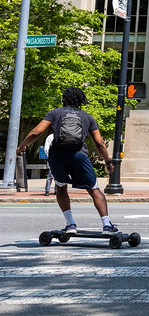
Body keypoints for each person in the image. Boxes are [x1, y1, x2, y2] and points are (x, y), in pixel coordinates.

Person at [16, 87, 119, 235]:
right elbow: (100, 143)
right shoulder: (87, 117)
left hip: (58, 156)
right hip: (79, 155)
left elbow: (36, 132)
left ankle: (71, 225)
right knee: (93, 188)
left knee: (61, 187)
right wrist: (108, 161)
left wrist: (22, 146)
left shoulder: (54, 113)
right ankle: (107, 225)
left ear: (66, 99)